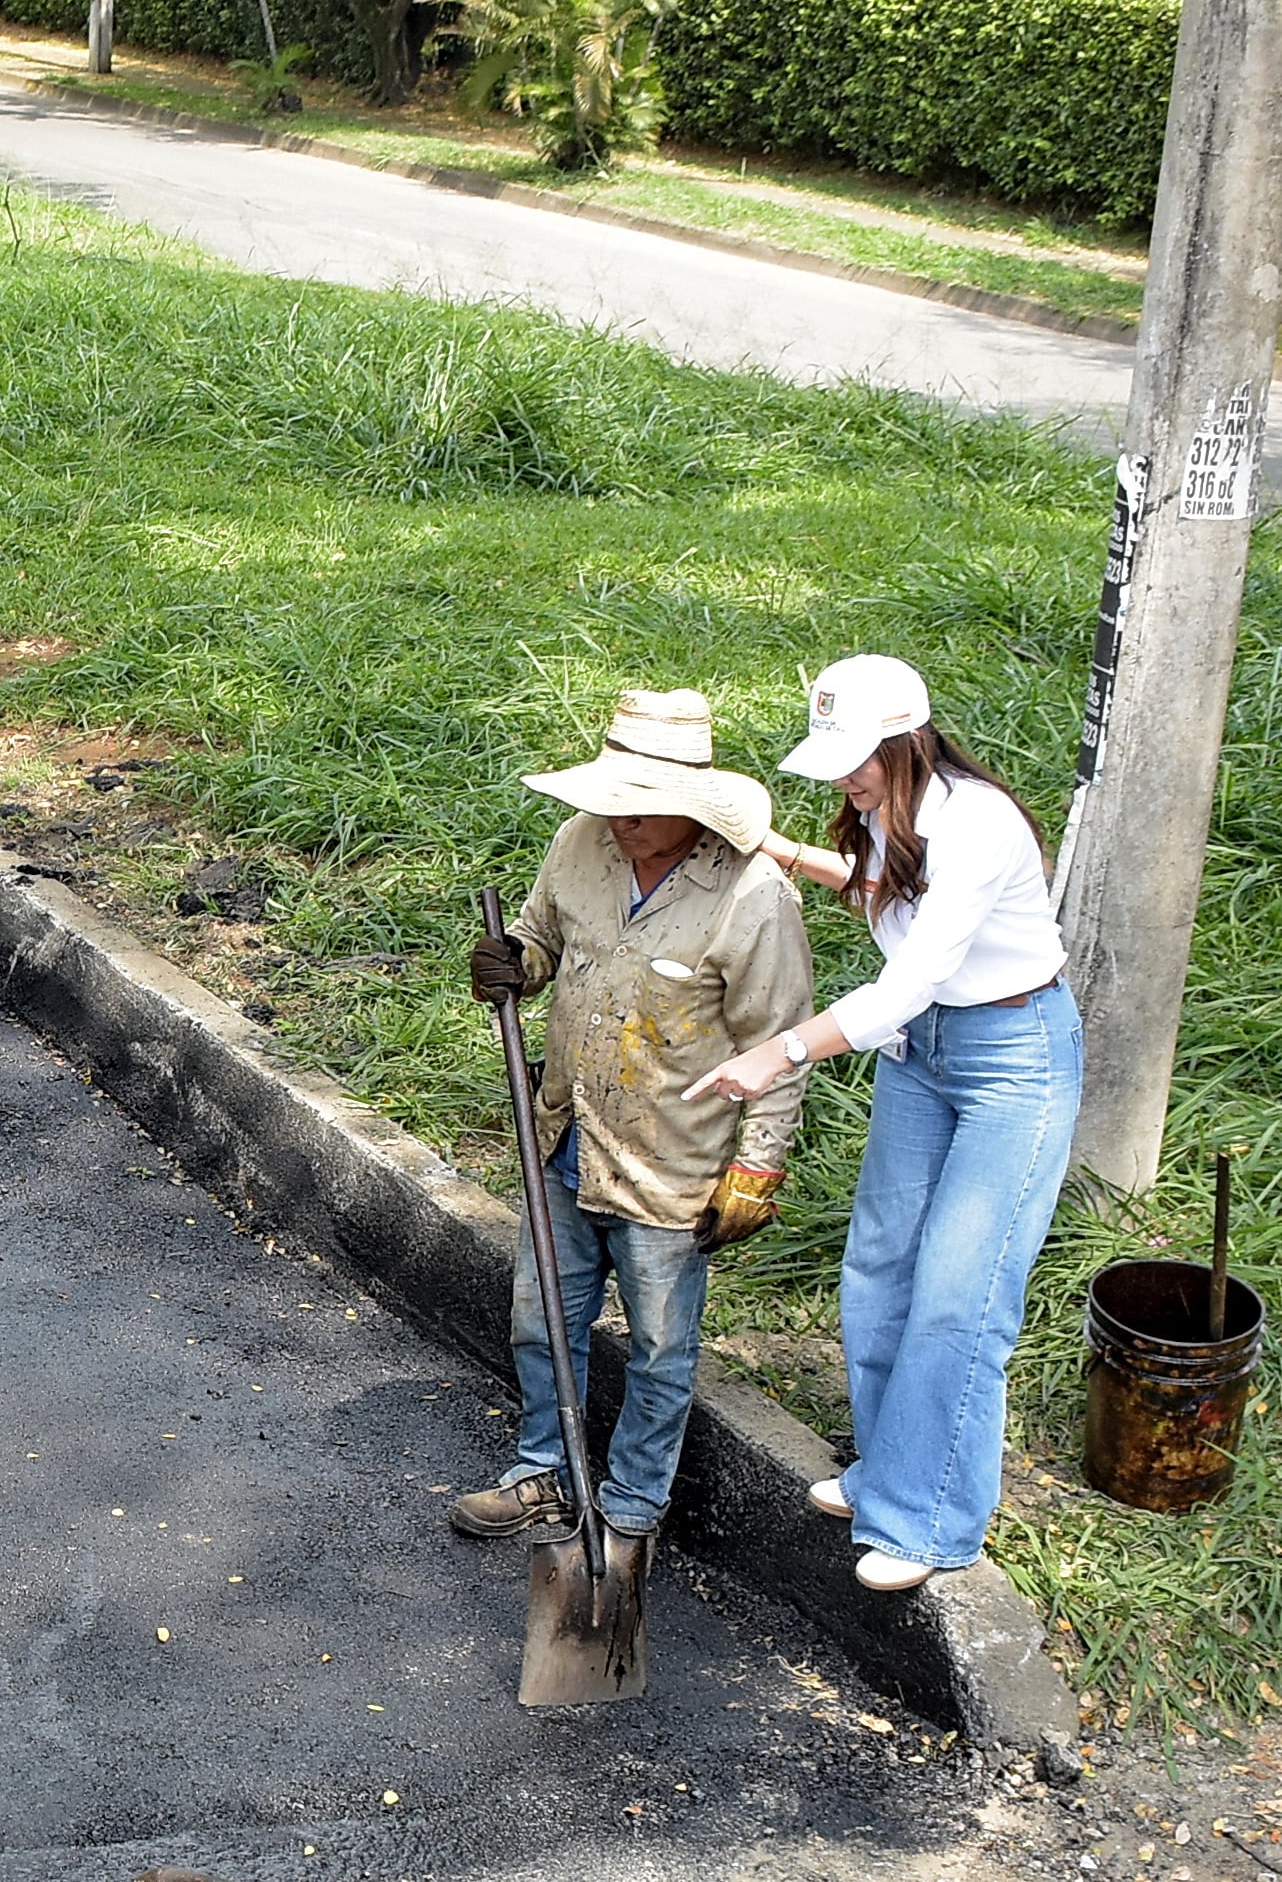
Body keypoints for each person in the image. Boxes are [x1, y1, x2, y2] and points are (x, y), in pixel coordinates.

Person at [686, 655, 1078, 1593]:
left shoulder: (977, 824)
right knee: (880, 1264)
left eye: (858, 760)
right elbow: (879, 893)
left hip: (1010, 1056)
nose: (847, 780)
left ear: (908, 739)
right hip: (922, 1052)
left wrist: (778, 1053)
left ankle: (933, 1521)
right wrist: (777, 848)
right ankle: (889, 1476)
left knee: (961, 1293)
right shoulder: (882, 810)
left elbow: (914, 975)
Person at [451, 690, 815, 1545]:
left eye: (642, 809)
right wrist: (516, 963)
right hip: (565, 1132)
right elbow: (543, 938)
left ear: (693, 807)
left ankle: (633, 1504)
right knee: (542, 1319)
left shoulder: (754, 896)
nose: (621, 822)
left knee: (658, 1348)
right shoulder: (581, 843)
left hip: (672, 1160)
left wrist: (757, 1165)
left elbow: (782, 1043)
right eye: (612, 803)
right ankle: (544, 1469)